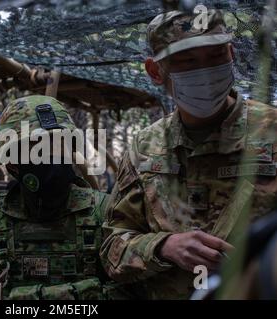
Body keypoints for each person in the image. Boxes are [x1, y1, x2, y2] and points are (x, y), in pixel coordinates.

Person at [100, 9, 277, 299]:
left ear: (231, 53)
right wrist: (163, 247)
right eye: (188, 61)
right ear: (155, 71)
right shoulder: (145, 147)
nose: (206, 72)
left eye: (216, 56)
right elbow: (111, 250)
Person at [0, 95, 112, 300]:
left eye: (58, 145)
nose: (51, 155)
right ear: (12, 164)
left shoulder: (104, 214)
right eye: (37, 148)